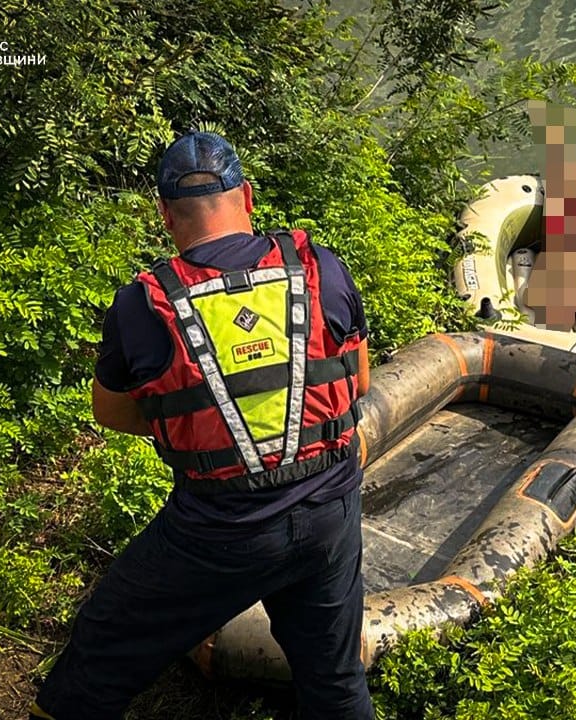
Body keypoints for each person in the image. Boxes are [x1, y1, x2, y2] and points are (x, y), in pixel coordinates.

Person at [31, 132, 375, 720]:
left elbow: (110, 412)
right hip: (330, 513)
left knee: (98, 655)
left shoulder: (141, 305)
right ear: (247, 195)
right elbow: (358, 382)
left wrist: (200, 424)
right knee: (335, 682)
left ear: (165, 215)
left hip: (218, 529)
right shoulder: (321, 268)